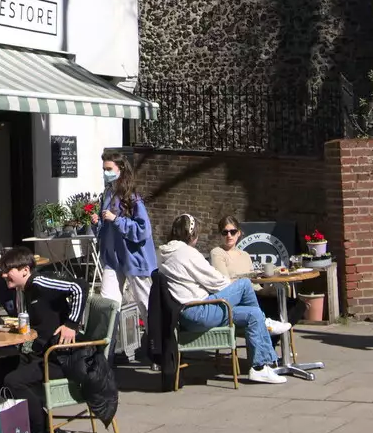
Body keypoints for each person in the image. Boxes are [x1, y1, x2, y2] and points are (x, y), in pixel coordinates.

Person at [156, 213, 291, 385]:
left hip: (185, 314)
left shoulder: (162, 252)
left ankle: (260, 368)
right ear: (191, 234)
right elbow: (217, 282)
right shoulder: (187, 253)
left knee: (253, 314)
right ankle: (266, 324)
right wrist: (230, 289)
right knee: (244, 285)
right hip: (199, 312)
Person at [0, 247, 85, 433]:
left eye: (8, 270)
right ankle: (34, 423)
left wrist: (71, 324)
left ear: (24, 270)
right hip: (39, 353)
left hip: (58, 357)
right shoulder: (25, 290)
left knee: (14, 380)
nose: (4, 275)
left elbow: (79, 287)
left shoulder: (40, 283)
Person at [96, 153, 156, 312]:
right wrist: (97, 223)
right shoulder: (107, 195)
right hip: (112, 258)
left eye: (109, 169)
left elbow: (143, 229)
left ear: (120, 169)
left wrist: (116, 220)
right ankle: (110, 337)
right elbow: (105, 228)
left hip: (133, 258)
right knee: (108, 306)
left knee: (146, 306)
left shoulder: (131, 197)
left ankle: (155, 336)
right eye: (103, 169)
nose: (105, 173)